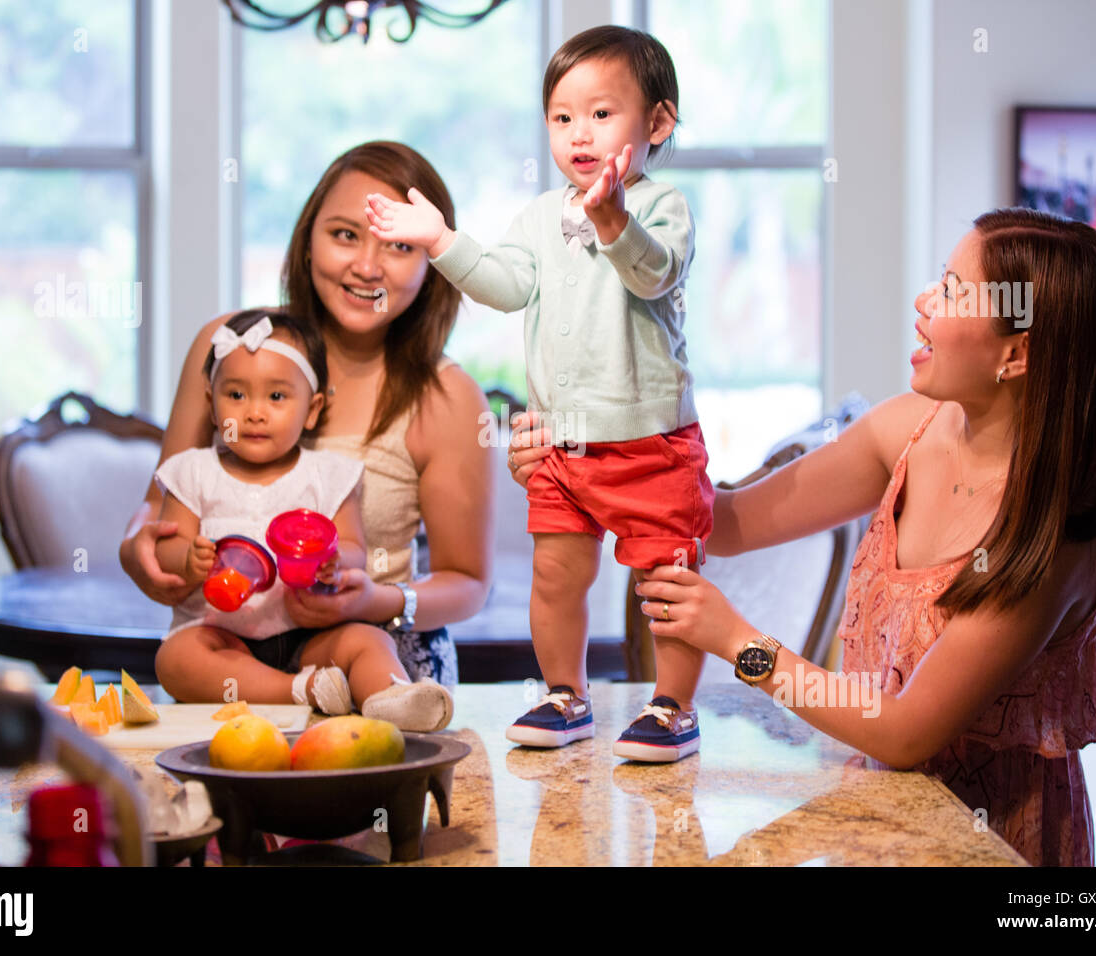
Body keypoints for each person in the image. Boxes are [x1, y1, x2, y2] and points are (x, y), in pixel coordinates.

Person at [618, 207, 1096, 866]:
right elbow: (729, 523)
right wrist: (599, 464)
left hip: (989, 842)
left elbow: (902, 733)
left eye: (952, 290)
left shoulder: (1051, 535)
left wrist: (739, 644)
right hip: (882, 820)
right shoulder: (911, 428)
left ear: (1017, 353)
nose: (924, 301)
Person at [366, 25, 713, 762]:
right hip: (561, 441)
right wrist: (440, 241)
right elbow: (505, 284)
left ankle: (673, 706)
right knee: (557, 574)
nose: (578, 133)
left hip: (649, 439)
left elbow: (655, 274)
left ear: (656, 122)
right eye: (561, 117)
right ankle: (565, 694)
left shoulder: (661, 206)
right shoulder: (538, 217)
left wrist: (612, 218)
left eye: (600, 113)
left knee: (667, 583)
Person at [120, 141, 494, 720]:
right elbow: (159, 504)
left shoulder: (446, 398)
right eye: (345, 234)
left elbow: (468, 583)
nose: (367, 266)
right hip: (232, 659)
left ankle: (388, 701)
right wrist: (137, 546)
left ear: (432, 259)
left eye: (399, 246)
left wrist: (380, 599)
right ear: (307, 238)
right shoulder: (232, 348)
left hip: (373, 652)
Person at [150, 308, 452, 732]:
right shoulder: (192, 472)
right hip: (222, 635)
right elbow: (164, 544)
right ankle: (299, 691)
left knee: (369, 641)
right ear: (212, 406)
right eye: (236, 395)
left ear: (311, 411)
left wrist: (336, 561)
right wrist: (187, 557)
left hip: (309, 632)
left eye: (276, 397)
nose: (254, 413)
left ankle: (392, 697)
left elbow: (352, 548)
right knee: (176, 659)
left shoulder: (329, 476)